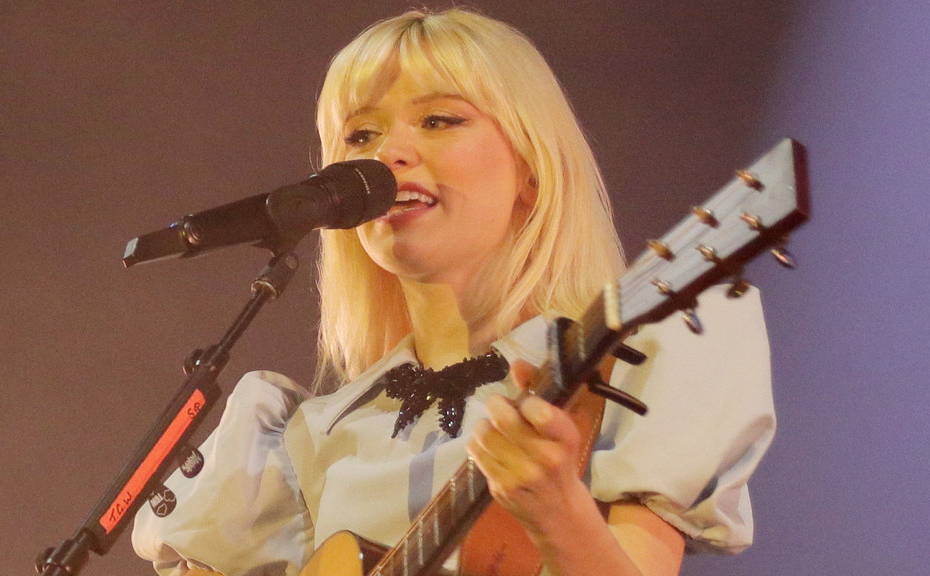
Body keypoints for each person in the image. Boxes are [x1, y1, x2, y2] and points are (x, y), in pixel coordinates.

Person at [132, 8, 774, 576]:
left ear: (532, 169)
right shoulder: (310, 435)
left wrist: (558, 512)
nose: (389, 155)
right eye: (360, 136)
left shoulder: (627, 360)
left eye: (439, 119)